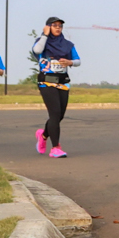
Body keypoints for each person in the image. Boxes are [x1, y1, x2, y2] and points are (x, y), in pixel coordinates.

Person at [32, 18, 79, 157]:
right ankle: (55, 148)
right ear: (47, 27)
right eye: (54, 25)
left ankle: (43, 135)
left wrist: (70, 62)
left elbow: (78, 60)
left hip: (62, 82)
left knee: (60, 115)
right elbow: (37, 50)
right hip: (47, 82)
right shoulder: (41, 42)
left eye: (60, 26)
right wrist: (44, 35)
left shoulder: (67, 45)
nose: (58, 28)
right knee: (54, 113)